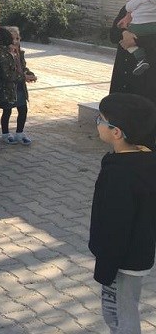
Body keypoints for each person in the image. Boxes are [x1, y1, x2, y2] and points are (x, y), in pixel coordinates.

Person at [89, 93, 156, 333]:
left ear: (116, 132)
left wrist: (105, 268)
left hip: (121, 262)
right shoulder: (144, 159)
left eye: (100, 119)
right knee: (123, 311)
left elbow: (115, 226)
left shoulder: (121, 175)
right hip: (136, 254)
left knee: (119, 316)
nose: (97, 122)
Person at [110, 0, 156, 104]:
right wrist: (124, 33)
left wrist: (136, 41)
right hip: (123, 75)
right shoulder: (125, 11)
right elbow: (113, 35)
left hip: (146, 79)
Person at [0, 26, 37, 145]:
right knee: (7, 111)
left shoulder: (19, 53)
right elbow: (7, 75)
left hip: (20, 87)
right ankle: (5, 134)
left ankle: (19, 133)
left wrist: (28, 73)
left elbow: (22, 67)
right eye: (12, 39)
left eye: (17, 38)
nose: (15, 41)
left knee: (23, 109)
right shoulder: (3, 55)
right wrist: (24, 77)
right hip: (8, 89)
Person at [118, 0, 156, 76]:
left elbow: (129, 7)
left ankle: (141, 58)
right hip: (153, 26)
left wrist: (125, 32)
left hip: (138, 27)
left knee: (125, 41)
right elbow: (113, 34)